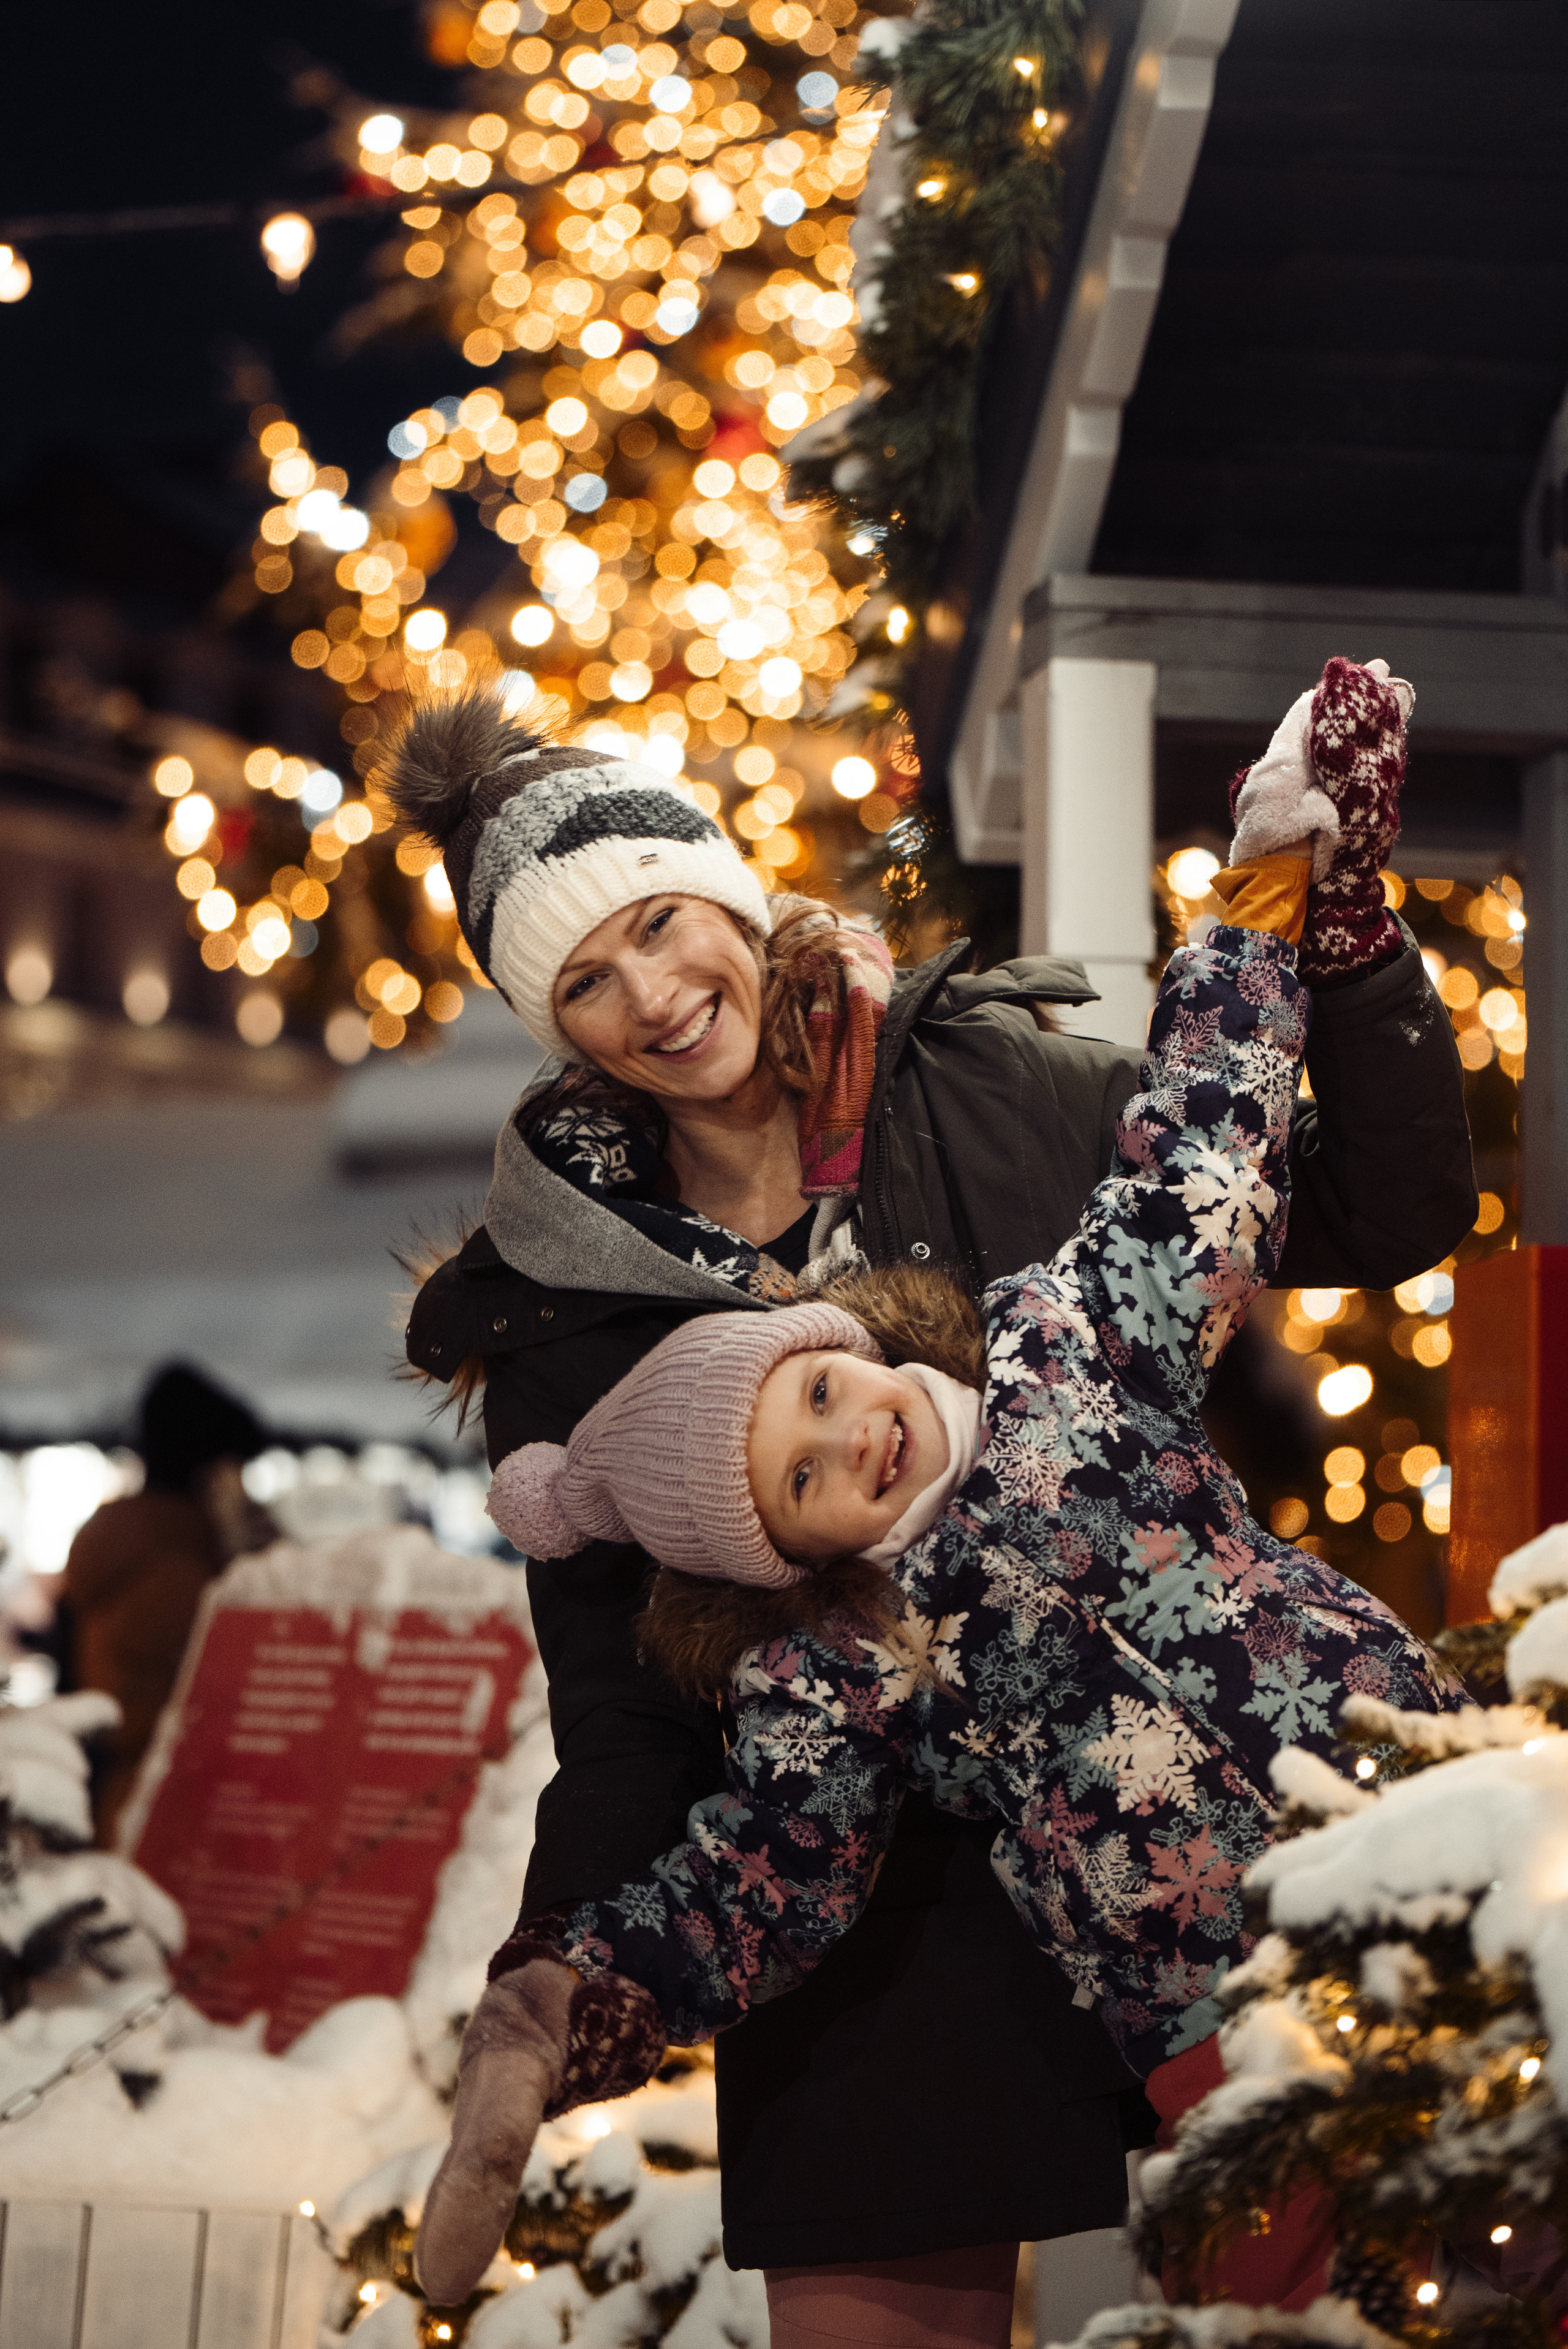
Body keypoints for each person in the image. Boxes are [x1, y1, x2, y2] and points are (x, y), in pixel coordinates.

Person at [391, 658, 1475, 2328]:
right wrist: (555, 1981)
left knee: (1408, 2259)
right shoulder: (559, 1299)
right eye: (585, 981)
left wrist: (1313, 916)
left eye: (661, 923)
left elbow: (1307, 1184)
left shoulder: (993, 1096)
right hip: (880, 1895)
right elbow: (627, 1711)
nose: (654, 997)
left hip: (1262, 1807)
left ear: (724, 891)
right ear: (555, 1027)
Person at [64, 1361, 271, 1843]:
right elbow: (238, 1701)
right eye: (238, 1472)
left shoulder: (131, 1550)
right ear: (213, 1475)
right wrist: (246, 1558)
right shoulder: (185, 1578)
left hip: (127, 1808)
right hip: (176, 1822)